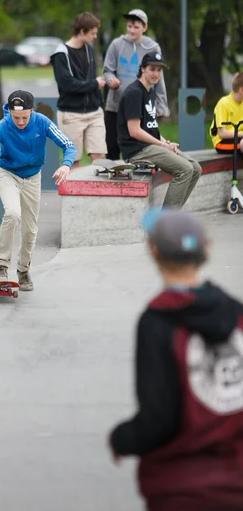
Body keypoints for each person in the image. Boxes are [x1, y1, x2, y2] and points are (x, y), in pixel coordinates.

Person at [110, 209, 243, 511]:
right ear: (207, 249)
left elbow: (160, 418)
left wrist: (123, 439)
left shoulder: (158, 323)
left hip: (180, 489)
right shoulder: (237, 312)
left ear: (153, 250)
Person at [0, 90, 76, 291]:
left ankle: (24, 270)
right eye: (15, 117)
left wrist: (66, 165)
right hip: (7, 172)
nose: (20, 122)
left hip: (33, 176)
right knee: (12, 213)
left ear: (32, 111)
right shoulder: (3, 126)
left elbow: (68, 145)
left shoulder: (42, 122)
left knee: (30, 228)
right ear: (8, 112)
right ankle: (1, 266)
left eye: (25, 117)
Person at [117, 52, 201, 208]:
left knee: (195, 168)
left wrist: (165, 142)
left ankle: (172, 217)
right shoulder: (134, 93)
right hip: (137, 151)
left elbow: (150, 128)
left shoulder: (149, 91)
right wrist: (162, 146)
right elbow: (134, 131)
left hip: (149, 147)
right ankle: (166, 224)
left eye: (159, 70)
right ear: (142, 69)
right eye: (152, 69)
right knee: (185, 169)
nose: (156, 74)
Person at [104, 9, 170, 160]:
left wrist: (161, 105)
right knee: (112, 145)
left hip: (142, 105)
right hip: (116, 105)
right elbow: (107, 71)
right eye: (129, 26)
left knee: (141, 143)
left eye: (136, 27)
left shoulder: (153, 47)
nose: (132, 30)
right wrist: (110, 79)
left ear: (144, 28)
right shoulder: (117, 45)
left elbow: (159, 78)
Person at [51, 12, 106, 167]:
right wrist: (95, 84)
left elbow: (90, 78)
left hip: (94, 112)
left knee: (100, 158)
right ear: (82, 31)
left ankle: (96, 191)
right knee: (73, 161)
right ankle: (74, 191)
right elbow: (66, 85)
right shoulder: (61, 54)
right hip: (71, 114)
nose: (95, 37)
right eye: (93, 33)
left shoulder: (89, 50)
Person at [211, 71, 243, 153]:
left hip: (239, 138)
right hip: (222, 142)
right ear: (241, 90)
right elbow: (222, 134)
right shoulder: (223, 103)